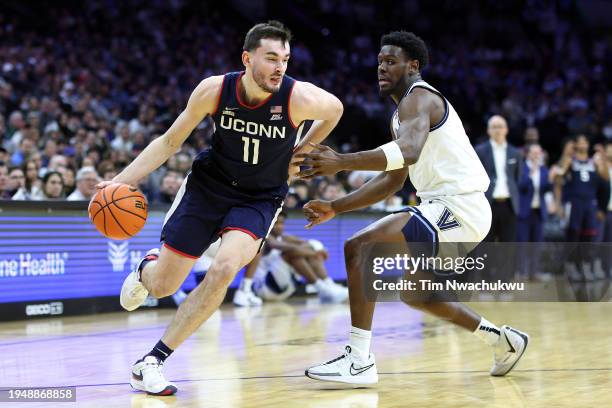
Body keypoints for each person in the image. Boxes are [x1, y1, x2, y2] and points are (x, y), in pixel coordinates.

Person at [96, 21, 343, 395]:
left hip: (260, 197)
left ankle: (152, 361)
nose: (280, 67)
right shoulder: (215, 90)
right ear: (247, 58)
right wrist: (121, 182)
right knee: (163, 286)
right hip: (208, 188)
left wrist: (302, 150)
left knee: (226, 266)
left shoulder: (298, 98)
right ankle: (147, 267)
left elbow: (336, 109)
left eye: (286, 59)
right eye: (271, 58)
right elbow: (168, 142)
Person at [293, 31, 529, 385]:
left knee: (361, 247)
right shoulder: (400, 116)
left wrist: (342, 161)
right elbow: (392, 180)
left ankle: (359, 360)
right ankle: (502, 340)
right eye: (379, 62)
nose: (382, 68)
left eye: (391, 61)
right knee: (417, 294)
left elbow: (411, 151)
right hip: (450, 208)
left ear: (412, 66)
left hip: (458, 206)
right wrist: (334, 206)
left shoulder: (418, 98)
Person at [254, 211, 348, 302]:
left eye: (282, 223)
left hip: (284, 288)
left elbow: (309, 243)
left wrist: (318, 249)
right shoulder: (265, 237)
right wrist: (315, 252)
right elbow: (275, 245)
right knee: (291, 253)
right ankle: (323, 289)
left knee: (302, 252)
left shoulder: (285, 237)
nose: (280, 227)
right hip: (264, 287)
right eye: (276, 224)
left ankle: (328, 285)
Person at [475, 115, 522, 242]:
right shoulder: (480, 151)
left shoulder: (515, 152)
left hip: (509, 205)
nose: (497, 130)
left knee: (507, 246)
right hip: (487, 204)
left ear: (506, 130)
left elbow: (518, 178)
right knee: (485, 245)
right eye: (494, 127)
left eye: (500, 127)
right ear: (488, 130)